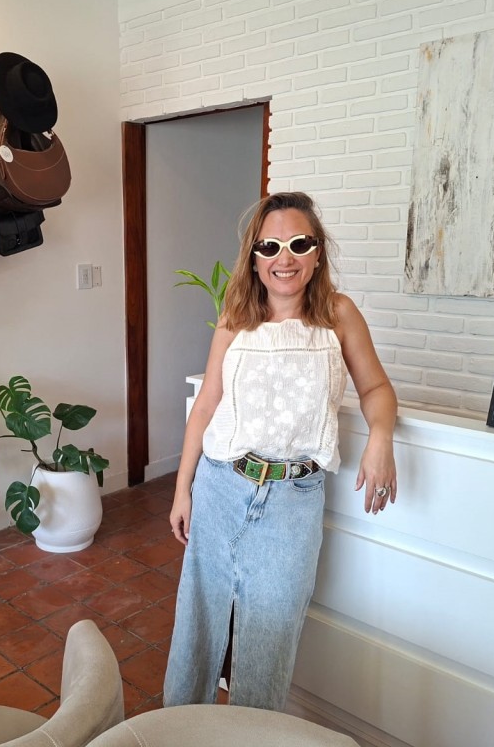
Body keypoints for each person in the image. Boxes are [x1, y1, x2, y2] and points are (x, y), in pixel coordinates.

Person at [163, 191, 398, 712]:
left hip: (293, 502)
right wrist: (183, 489)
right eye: (270, 246)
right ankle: (176, 731)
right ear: (254, 257)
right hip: (221, 486)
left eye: (299, 244)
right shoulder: (236, 315)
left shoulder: (338, 315)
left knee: (269, 643)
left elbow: (376, 389)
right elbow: (206, 405)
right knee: (196, 626)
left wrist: (380, 438)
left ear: (317, 253)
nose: (283, 258)